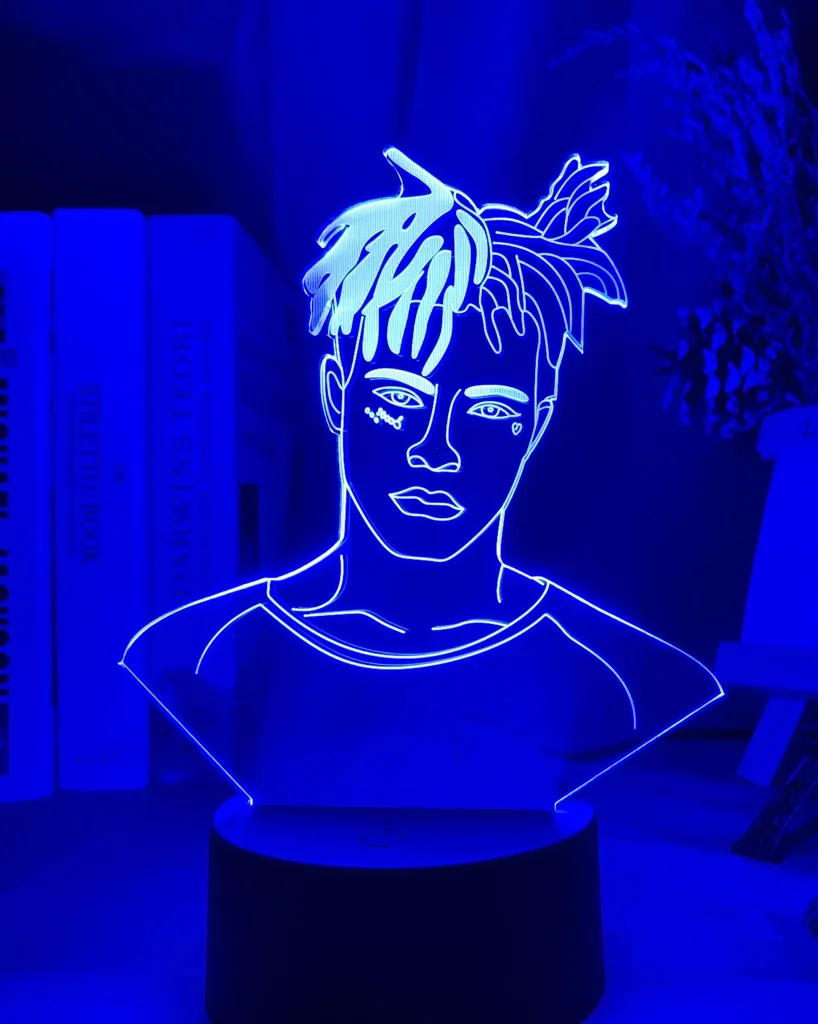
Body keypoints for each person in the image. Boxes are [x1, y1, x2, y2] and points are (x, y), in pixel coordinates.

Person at [121, 149, 723, 810]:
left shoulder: (626, 680)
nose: (436, 451)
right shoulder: (201, 651)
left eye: (490, 411)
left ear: (537, 425)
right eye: (399, 398)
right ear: (336, 394)